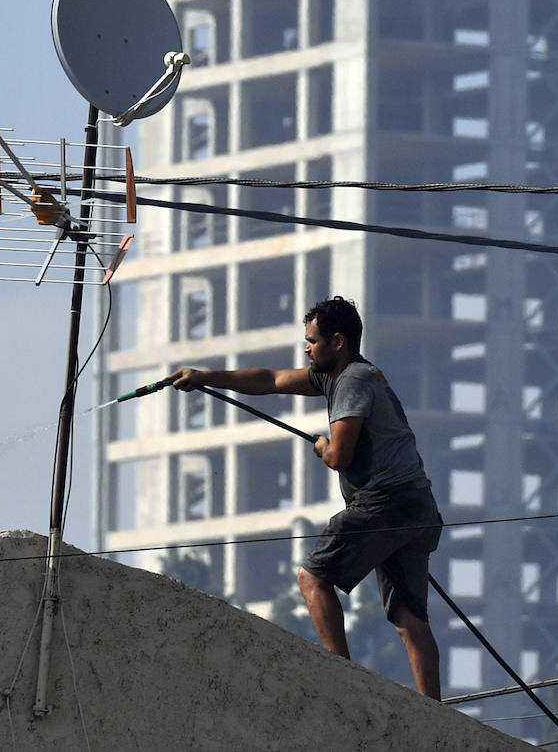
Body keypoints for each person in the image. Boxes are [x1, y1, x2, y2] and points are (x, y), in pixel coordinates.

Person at [168, 296, 443, 698]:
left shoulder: (351, 381)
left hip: (384, 503)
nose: (306, 348)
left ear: (338, 341)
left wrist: (321, 447)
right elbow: (271, 380)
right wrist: (206, 377)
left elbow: (339, 455)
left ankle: (342, 681)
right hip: (417, 505)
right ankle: (434, 710)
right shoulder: (343, 376)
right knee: (407, 616)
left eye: (312, 341)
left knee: (313, 577)